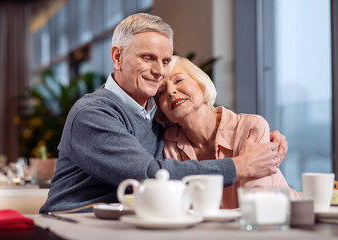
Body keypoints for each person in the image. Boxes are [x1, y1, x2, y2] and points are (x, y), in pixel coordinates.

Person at [40, 13, 287, 213]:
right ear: (117, 57)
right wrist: (239, 165)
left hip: (127, 224)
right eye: (148, 58)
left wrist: (270, 143)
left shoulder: (158, 117)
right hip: (75, 222)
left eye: (166, 61)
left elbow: (205, 126)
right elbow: (149, 175)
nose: (159, 72)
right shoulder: (93, 113)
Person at [156, 55, 299, 209]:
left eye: (178, 80)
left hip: (277, 220)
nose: (170, 92)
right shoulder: (167, 142)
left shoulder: (251, 127)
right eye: (161, 92)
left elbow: (255, 206)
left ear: (201, 84)